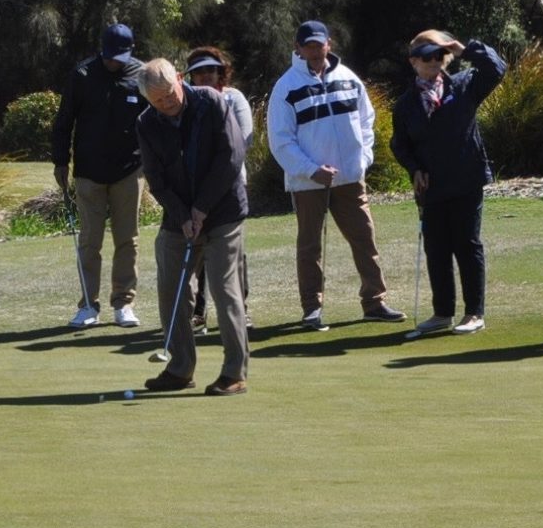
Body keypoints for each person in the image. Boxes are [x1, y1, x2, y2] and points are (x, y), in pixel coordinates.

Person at [266, 20, 404, 329]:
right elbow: (280, 140)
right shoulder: (286, 87)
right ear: (298, 48)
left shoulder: (348, 78)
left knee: (364, 239)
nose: (316, 51)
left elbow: (366, 121)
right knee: (310, 247)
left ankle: (375, 301)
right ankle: (312, 309)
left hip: (350, 178)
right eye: (309, 46)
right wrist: (311, 170)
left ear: (329, 43)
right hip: (308, 182)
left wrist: (363, 160)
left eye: (320, 44)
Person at [136, 58, 249, 396]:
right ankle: (180, 368)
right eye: (158, 100)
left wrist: (201, 208)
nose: (167, 103)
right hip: (180, 215)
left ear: (179, 79)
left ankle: (234, 373)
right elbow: (156, 178)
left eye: (170, 94)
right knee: (170, 286)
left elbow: (231, 156)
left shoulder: (210, 102)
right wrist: (183, 215)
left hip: (223, 210)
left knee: (223, 288)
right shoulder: (146, 123)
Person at [391, 31, 507, 337]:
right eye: (426, 57)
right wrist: (414, 169)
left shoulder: (464, 85)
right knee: (437, 248)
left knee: (467, 244)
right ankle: (442, 313)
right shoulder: (405, 105)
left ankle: (474, 313)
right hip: (432, 186)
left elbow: (497, 68)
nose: (433, 62)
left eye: (439, 56)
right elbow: (400, 145)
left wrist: (463, 49)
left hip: (466, 178)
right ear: (413, 61)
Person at [49, 22, 148, 328]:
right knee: (90, 242)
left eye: (119, 57)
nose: (113, 62)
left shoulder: (141, 75)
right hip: (89, 172)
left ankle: (124, 303)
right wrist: (60, 161)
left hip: (129, 171)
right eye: (109, 56)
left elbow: (154, 121)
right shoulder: (82, 75)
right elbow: (64, 121)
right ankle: (89, 306)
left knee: (127, 240)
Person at [184, 46, 253, 332]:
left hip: (230, 187)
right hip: (194, 189)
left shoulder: (234, 98)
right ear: (191, 76)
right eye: (199, 71)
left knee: (233, 255)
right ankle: (197, 312)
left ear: (220, 72)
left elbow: (243, 140)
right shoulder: (185, 102)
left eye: (211, 70)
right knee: (197, 252)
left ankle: (241, 311)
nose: (205, 75)